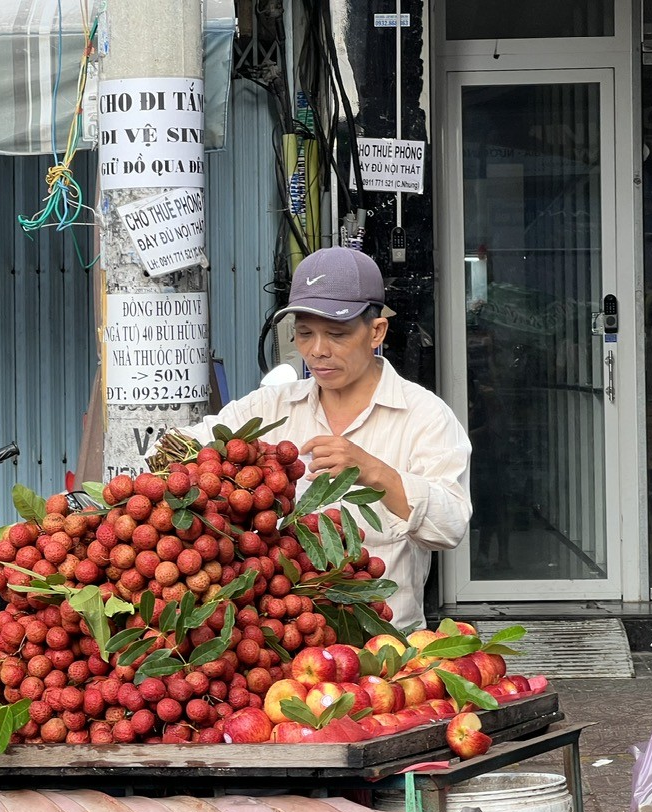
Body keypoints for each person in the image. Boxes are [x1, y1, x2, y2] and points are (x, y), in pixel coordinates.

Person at [183, 246, 471, 629]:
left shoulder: (424, 416)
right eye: (305, 334)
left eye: (336, 334)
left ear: (376, 332)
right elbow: (184, 448)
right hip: (278, 646)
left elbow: (450, 527)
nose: (317, 351)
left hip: (382, 649)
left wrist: (373, 472)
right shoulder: (270, 408)